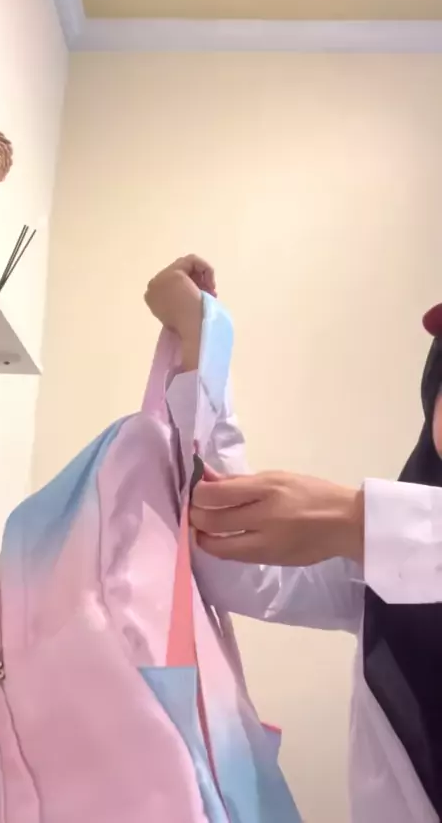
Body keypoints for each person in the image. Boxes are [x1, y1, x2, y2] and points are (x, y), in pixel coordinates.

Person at [145, 256, 442, 823]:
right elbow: (237, 560)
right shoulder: (389, 555)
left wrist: (359, 520)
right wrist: (203, 344)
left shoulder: (383, 531)